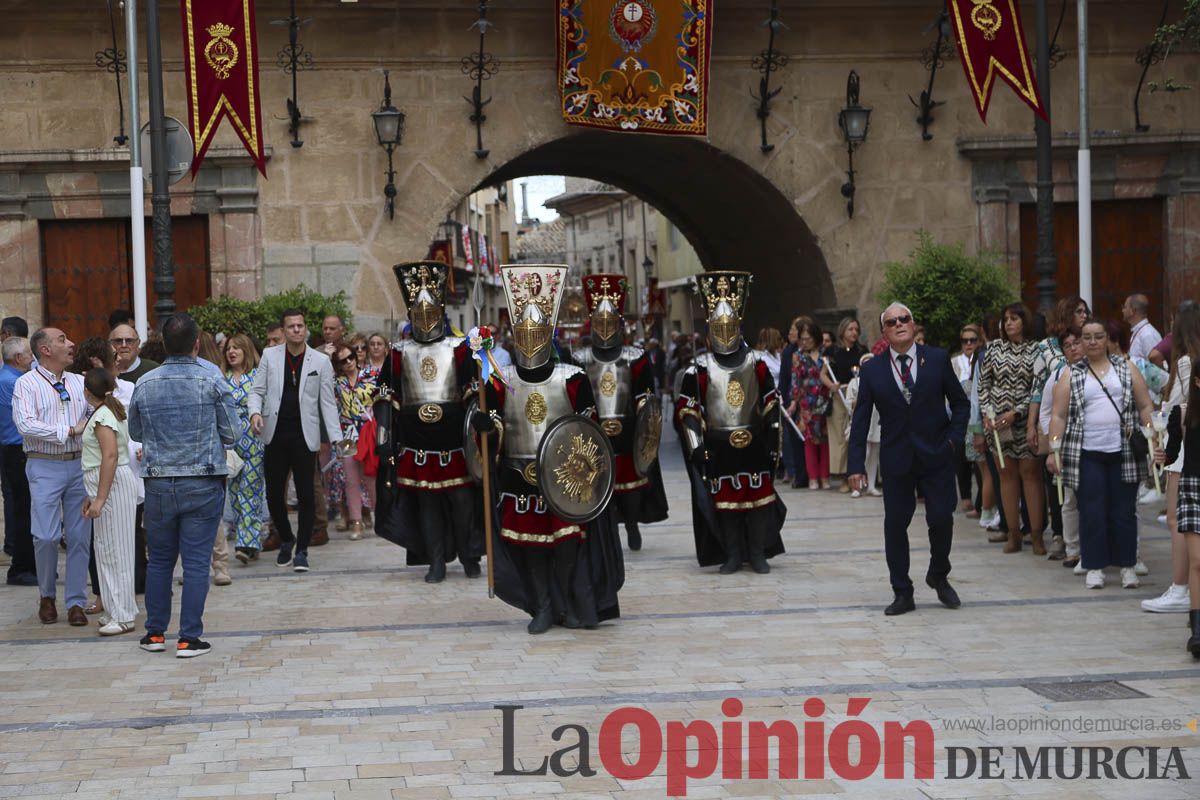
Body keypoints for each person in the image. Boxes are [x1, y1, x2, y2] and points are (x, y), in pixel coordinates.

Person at [471, 265, 624, 634]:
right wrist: (484, 426)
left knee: (567, 544)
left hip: (565, 481)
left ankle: (568, 601)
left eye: (536, 332)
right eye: (524, 333)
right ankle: (541, 605)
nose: (530, 339)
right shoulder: (499, 380)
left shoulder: (571, 379)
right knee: (531, 546)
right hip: (517, 476)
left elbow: (589, 433)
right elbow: (492, 427)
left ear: (548, 334)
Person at [847, 303, 969, 616]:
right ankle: (902, 591)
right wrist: (856, 466)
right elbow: (861, 420)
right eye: (892, 321)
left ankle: (939, 575)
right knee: (895, 525)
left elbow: (960, 403)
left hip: (937, 454)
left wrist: (954, 440)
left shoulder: (938, 359)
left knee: (942, 518)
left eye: (905, 319)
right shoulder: (873, 369)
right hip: (897, 458)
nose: (900, 324)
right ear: (884, 332)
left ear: (913, 324)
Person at [129, 313, 239, 657]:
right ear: (196, 343)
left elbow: (135, 433)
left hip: (160, 481)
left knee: (160, 560)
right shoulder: (212, 380)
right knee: (195, 563)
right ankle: (189, 637)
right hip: (202, 480)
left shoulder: (145, 382)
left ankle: (155, 633)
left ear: (162, 343)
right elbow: (233, 434)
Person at [373, 262, 483, 581]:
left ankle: (468, 552)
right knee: (427, 504)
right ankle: (436, 559)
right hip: (416, 443)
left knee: (462, 502)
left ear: (441, 311)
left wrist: (478, 422)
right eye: (418, 312)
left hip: (454, 443)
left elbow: (473, 391)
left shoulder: (459, 349)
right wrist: (383, 436)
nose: (425, 317)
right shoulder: (398, 352)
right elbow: (385, 394)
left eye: (430, 310)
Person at [675, 271, 786, 575]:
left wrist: (774, 429)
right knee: (725, 504)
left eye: (730, 326)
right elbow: (687, 409)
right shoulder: (698, 368)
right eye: (719, 327)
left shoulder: (756, 363)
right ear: (711, 330)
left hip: (753, 441)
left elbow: (770, 400)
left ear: (738, 327)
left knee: (758, 500)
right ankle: (733, 553)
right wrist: (697, 446)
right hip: (719, 445)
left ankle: (757, 552)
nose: (725, 332)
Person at [1048, 319, 1158, 590]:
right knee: (1092, 510)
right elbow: (1059, 415)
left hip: (1124, 451)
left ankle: (1127, 566)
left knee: (1124, 511)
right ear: (1081, 342)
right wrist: (1054, 450)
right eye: (1087, 337)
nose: (1093, 342)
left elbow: (1145, 405)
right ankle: (1094, 565)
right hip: (1087, 452)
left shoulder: (1126, 367)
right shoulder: (1070, 374)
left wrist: (1151, 435)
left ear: (1108, 339)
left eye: (1098, 336)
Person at [573, 274, 669, 551]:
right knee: (599, 484)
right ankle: (607, 529)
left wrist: (641, 414)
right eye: (599, 323)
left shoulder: (635, 357)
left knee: (630, 485)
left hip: (627, 431)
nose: (604, 328)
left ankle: (631, 524)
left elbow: (646, 394)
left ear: (619, 324)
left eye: (609, 322)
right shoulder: (580, 359)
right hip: (594, 432)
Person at [250, 310, 341, 573]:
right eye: (291, 326)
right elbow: (257, 391)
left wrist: (335, 437)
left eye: (300, 326)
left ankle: (302, 550)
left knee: (306, 494)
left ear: (306, 329)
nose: (296, 330)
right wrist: (255, 413)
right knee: (274, 495)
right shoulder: (270, 356)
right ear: (284, 330)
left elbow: (327, 402)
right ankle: (286, 538)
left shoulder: (320, 361)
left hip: (304, 435)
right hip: (275, 433)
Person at [13, 328, 92, 626]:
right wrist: (69, 431)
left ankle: (75, 602)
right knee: (45, 535)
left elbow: (96, 411)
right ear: (45, 350)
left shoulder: (79, 381)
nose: (71, 344)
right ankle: (47, 594)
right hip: (43, 464)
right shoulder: (26, 384)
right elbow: (26, 424)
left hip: (79, 464)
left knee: (79, 536)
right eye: (62, 340)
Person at [1144, 302, 1200, 613]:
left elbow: (1179, 408)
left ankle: (1181, 587)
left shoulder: (1186, 364)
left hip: (1184, 449)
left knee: (1179, 520)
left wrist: (1160, 427)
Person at [978, 303, 1045, 555]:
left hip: (1024, 420)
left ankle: (1036, 535)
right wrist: (987, 412)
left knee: (1030, 474)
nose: (1008, 323)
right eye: (1006, 319)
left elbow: (1038, 387)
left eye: (1014, 318)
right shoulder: (994, 348)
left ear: (1024, 321)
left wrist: (1017, 411)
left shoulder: (1036, 350)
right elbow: (983, 384)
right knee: (1005, 475)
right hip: (996, 423)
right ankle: (1013, 534)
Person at [79, 368, 139, 636]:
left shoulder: (103, 416)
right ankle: (114, 609)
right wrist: (90, 496)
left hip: (112, 487)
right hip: (103, 487)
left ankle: (124, 615)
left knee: (118, 551)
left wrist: (100, 498)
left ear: (87, 392)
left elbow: (110, 457)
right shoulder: (105, 412)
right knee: (106, 550)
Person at [1031, 327, 1084, 565]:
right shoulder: (1059, 375)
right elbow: (1046, 412)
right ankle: (1072, 547)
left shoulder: (1103, 370)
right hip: (1067, 447)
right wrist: (1055, 445)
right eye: (1067, 345)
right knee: (1068, 500)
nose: (1073, 348)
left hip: (1096, 444)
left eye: (1077, 343)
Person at [1165, 366, 1200, 657]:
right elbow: (1173, 454)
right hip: (1193, 487)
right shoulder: (1184, 413)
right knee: (1198, 561)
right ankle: (1198, 630)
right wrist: (1160, 454)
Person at [223, 334, 266, 563]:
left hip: (255, 442)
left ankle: (245, 543)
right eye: (229, 348)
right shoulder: (223, 379)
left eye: (236, 348)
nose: (232, 352)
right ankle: (251, 539)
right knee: (236, 496)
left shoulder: (257, 377)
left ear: (246, 351)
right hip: (232, 446)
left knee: (250, 491)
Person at [1, 336, 36, 586]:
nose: (33, 359)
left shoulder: (10, 378)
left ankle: (28, 565)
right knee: (24, 511)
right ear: (18, 359)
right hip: (16, 452)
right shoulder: (12, 382)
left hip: (14, 451)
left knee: (25, 510)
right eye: (29, 355)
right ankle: (22, 568)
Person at [332, 344, 377, 541]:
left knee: (370, 477)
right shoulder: (337, 382)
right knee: (350, 479)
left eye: (350, 357)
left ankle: (379, 515)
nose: (349, 362)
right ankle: (356, 521)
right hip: (347, 433)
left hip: (367, 433)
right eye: (343, 360)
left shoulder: (371, 374)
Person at [823, 318, 867, 493]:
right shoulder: (833, 351)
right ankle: (843, 476)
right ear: (842, 331)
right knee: (840, 436)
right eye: (850, 329)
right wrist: (831, 386)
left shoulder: (862, 351)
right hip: (839, 394)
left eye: (856, 329)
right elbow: (823, 374)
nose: (854, 333)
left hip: (857, 394)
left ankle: (859, 474)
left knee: (856, 434)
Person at [789, 321, 831, 490]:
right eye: (802, 339)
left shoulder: (825, 353)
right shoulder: (798, 356)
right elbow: (796, 381)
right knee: (810, 440)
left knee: (825, 439)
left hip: (825, 400)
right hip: (807, 401)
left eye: (808, 338)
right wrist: (794, 402)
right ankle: (813, 477)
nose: (805, 342)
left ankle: (825, 477)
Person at [844, 352, 881, 497]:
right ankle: (857, 487)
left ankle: (871, 485)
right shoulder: (854, 382)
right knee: (862, 452)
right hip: (862, 423)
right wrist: (859, 400)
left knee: (874, 455)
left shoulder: (880, 381)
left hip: (876, 422)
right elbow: (848, 404)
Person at [954, 324, 983, 514]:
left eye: (972, 340)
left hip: (977, 414)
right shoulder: (954, 362)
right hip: (959, 416)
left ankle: (982, 499)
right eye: (965, 340)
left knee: (980, 460)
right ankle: (965, 496)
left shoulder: (981, 359)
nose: (969, 344)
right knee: (961, 458)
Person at [1124, 293, 1162, 363]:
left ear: (1133, 311)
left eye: (1125, 307)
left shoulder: (1148, 335)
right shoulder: (1139, 331)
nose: (1123, 310)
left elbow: (1157, 364)